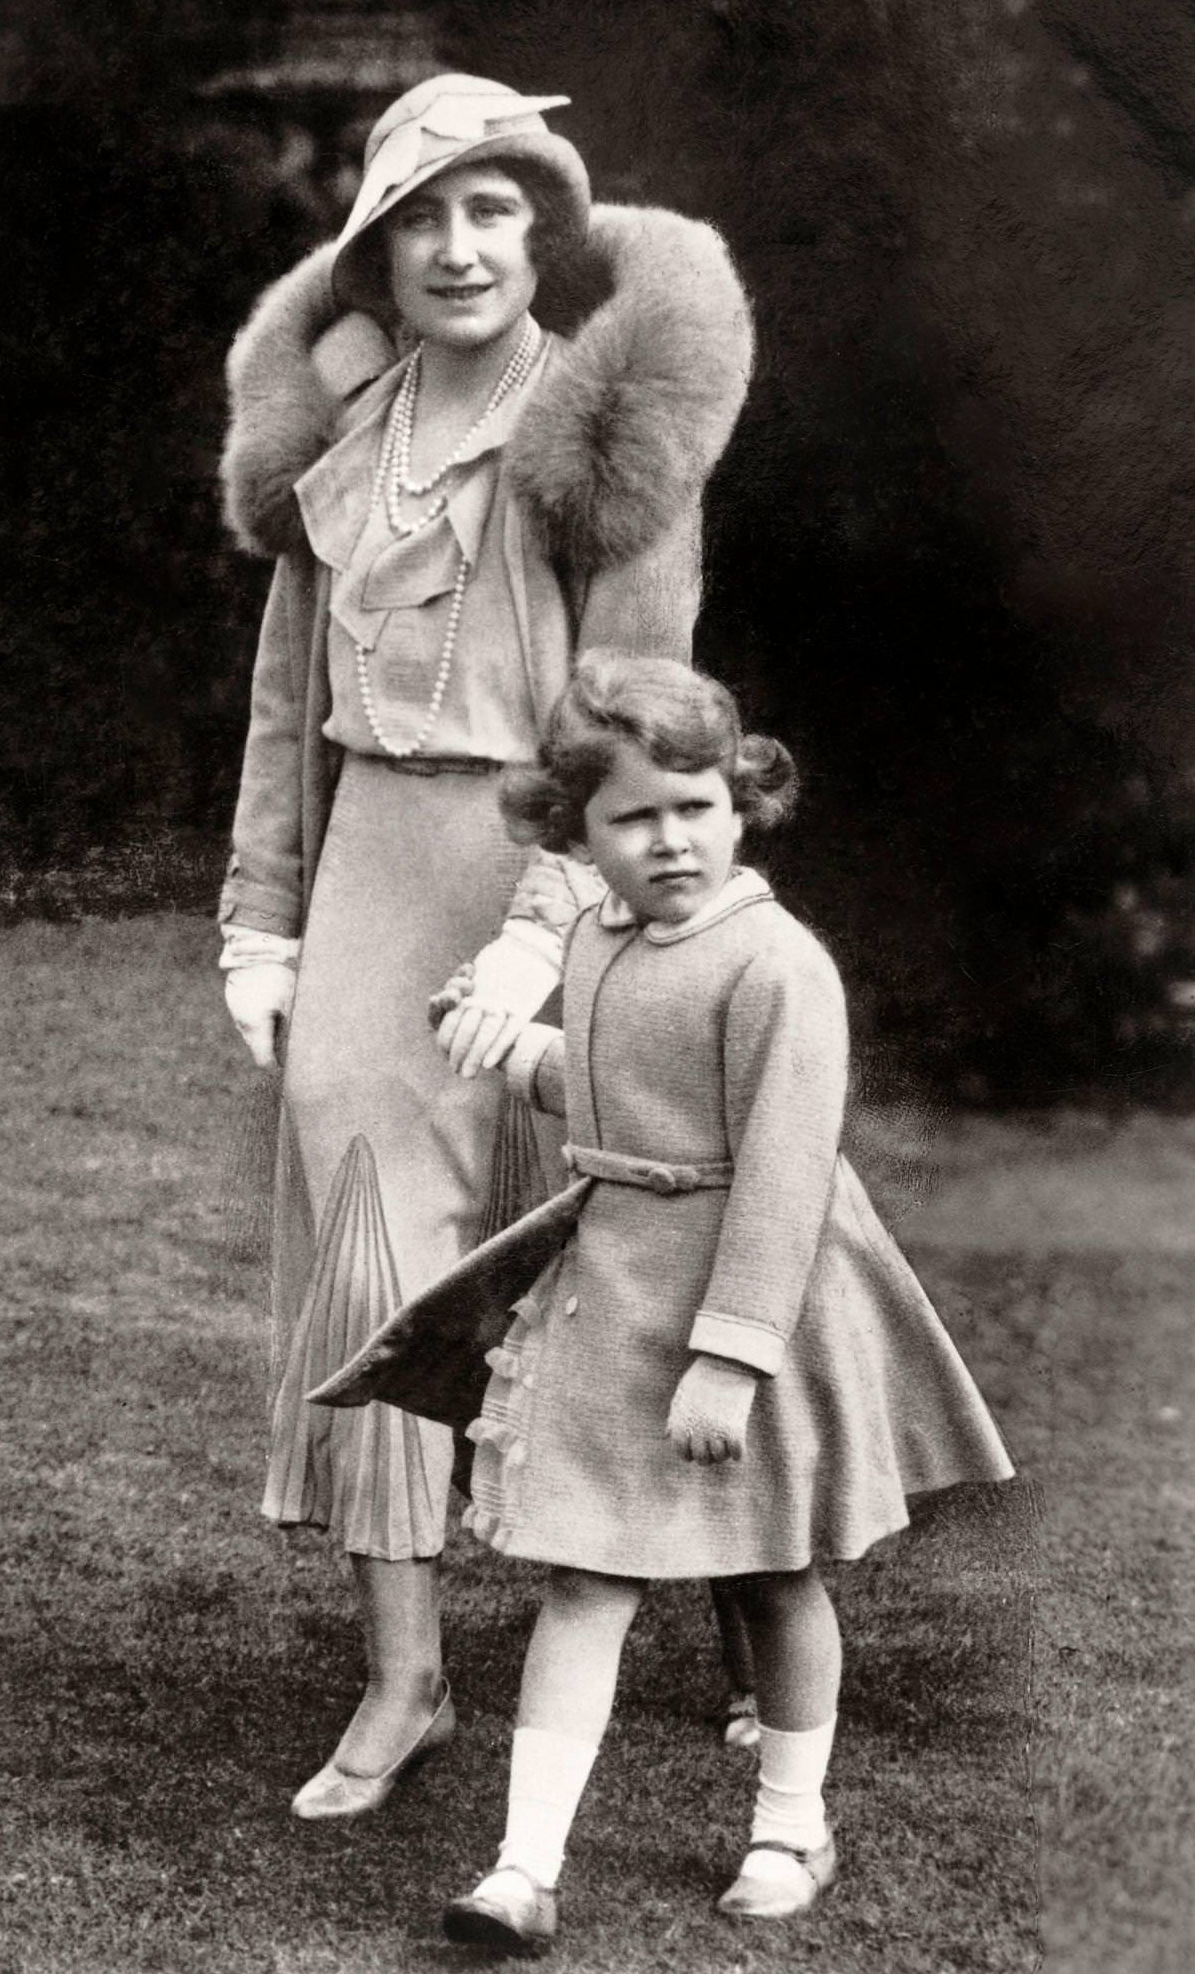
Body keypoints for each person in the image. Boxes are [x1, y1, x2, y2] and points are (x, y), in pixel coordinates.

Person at [216, 76, 754, 1819]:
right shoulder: (341, 446)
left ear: (544, 236)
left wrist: (547, 934)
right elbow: (286, 707)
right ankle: (403, 1681)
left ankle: (759, 1613)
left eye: (494, 212)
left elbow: (639, 721)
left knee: (644, 1247)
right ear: (373, 253)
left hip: (589, 886)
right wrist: (259, 916)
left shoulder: (603, 449)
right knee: (378, 1268)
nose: (457, 248)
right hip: (376, 877)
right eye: (421, 218)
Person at [420, 651, 1016, 1949]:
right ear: (574, 835)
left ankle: (792, 1826)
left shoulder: (776, 967)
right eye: (631, 818)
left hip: (758, 1293)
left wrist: (731, 1357)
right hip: (616, 1282)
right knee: (585, 1575)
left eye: (694, 805)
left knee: (773, 1575)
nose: (669, 840)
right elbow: (612, 1086)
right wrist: (508, 1045)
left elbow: (785, 1172)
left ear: (741, 800)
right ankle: (522, 1870)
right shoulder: (596, 935)